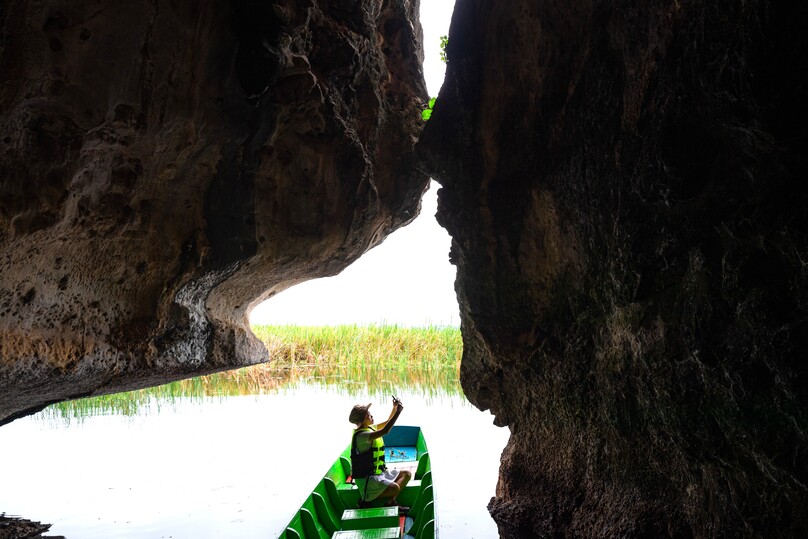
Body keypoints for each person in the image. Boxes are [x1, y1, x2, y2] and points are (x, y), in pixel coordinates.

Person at [348, 397, 412, 513]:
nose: (371, 415)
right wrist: (398, 412)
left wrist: (394, 408)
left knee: (407, 474)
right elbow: (386, 430)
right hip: (368, 480)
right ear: (362, 420)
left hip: (379, 474)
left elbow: (387, 423)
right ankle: (366, 499)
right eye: (368, 414)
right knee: (395, 488)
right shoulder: (362, 436)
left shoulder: (369, 428)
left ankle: (390, 502)